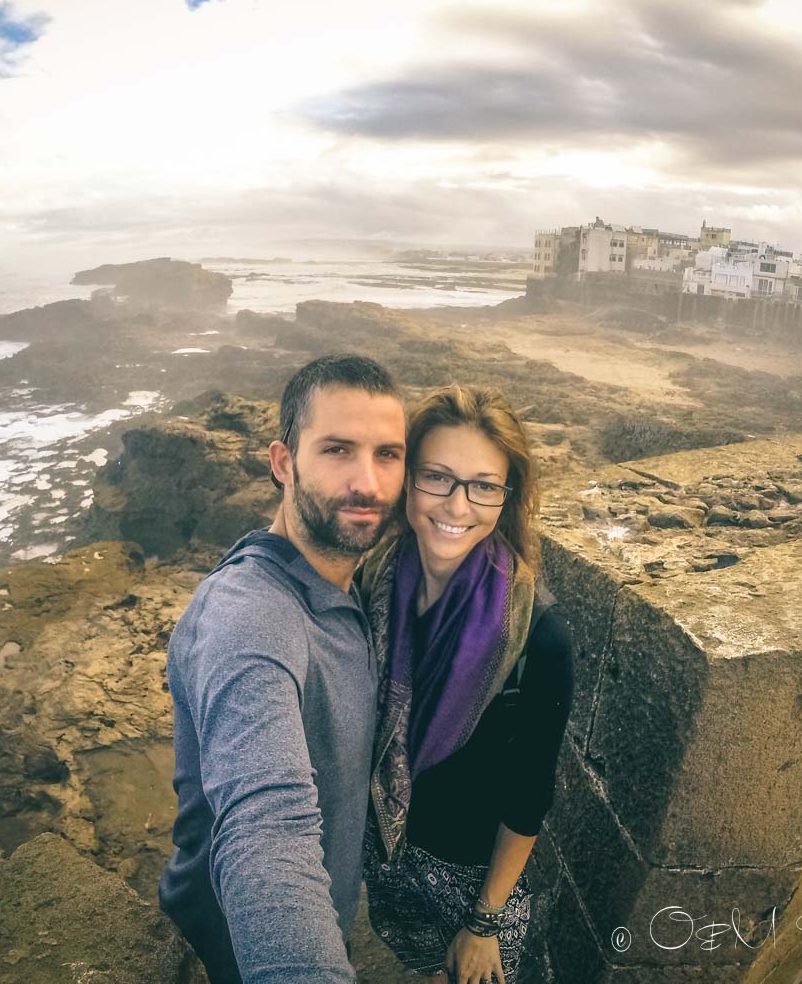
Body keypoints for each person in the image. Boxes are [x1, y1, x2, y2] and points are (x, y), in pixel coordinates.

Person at [158, 354, 407, 984]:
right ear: (282, 462)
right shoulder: (250, 617)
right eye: (337, 450)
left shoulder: (345, 580)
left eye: (388, 455)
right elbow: (267, 828)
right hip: (232, 956)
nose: (368, 484)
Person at [359, 384, 574, 984]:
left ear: (506, 499)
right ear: (407, 480)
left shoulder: (539, 640)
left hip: (470, 890)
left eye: (484, 485)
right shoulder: (368, 588)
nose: (457, 506)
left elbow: (530, 796)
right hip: (388, 866)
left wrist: (483, 926)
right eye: (437, 477)